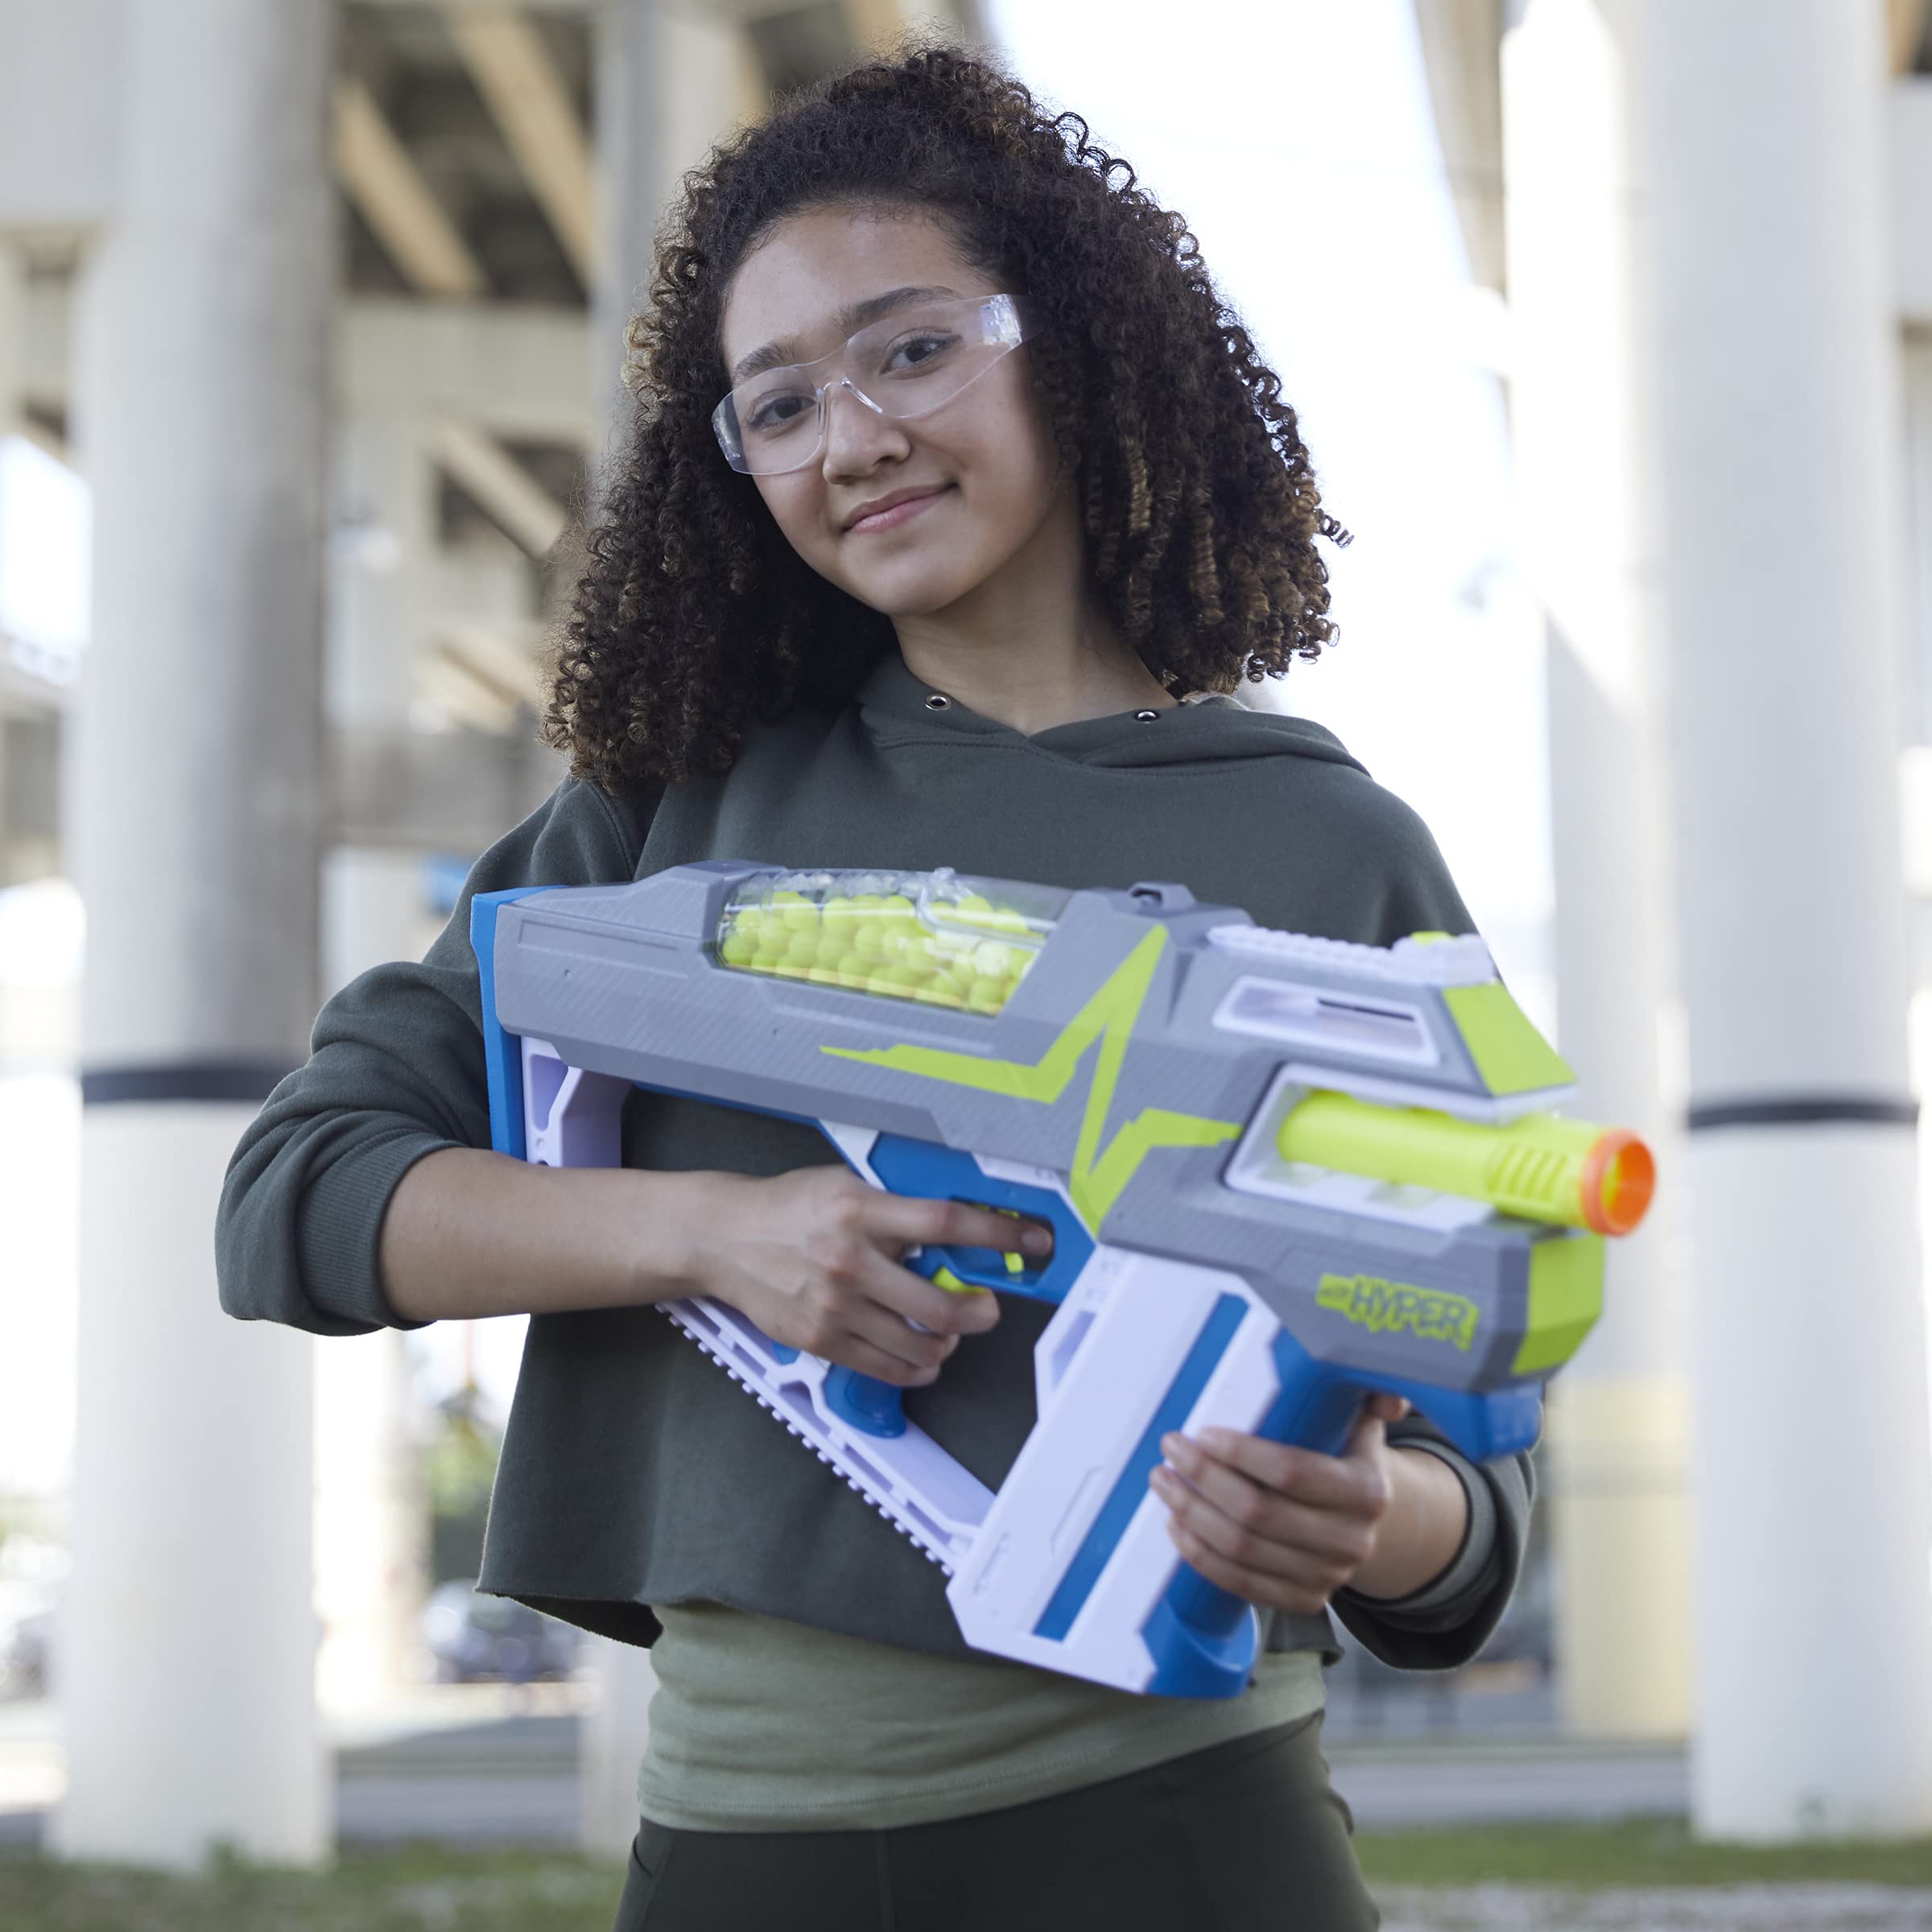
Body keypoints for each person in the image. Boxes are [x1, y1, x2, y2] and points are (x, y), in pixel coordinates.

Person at [217, 39, 1534, 1931]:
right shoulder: (669, 810)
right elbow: (293, 1198)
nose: (852, 438)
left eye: (914, 349)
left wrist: (1376, 1525)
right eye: (776, 404)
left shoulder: (1332, 849)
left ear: (1069, 342)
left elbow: (1484, 1482)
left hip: (1186, 1831)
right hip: (744, 1852)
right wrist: (717, 1231)